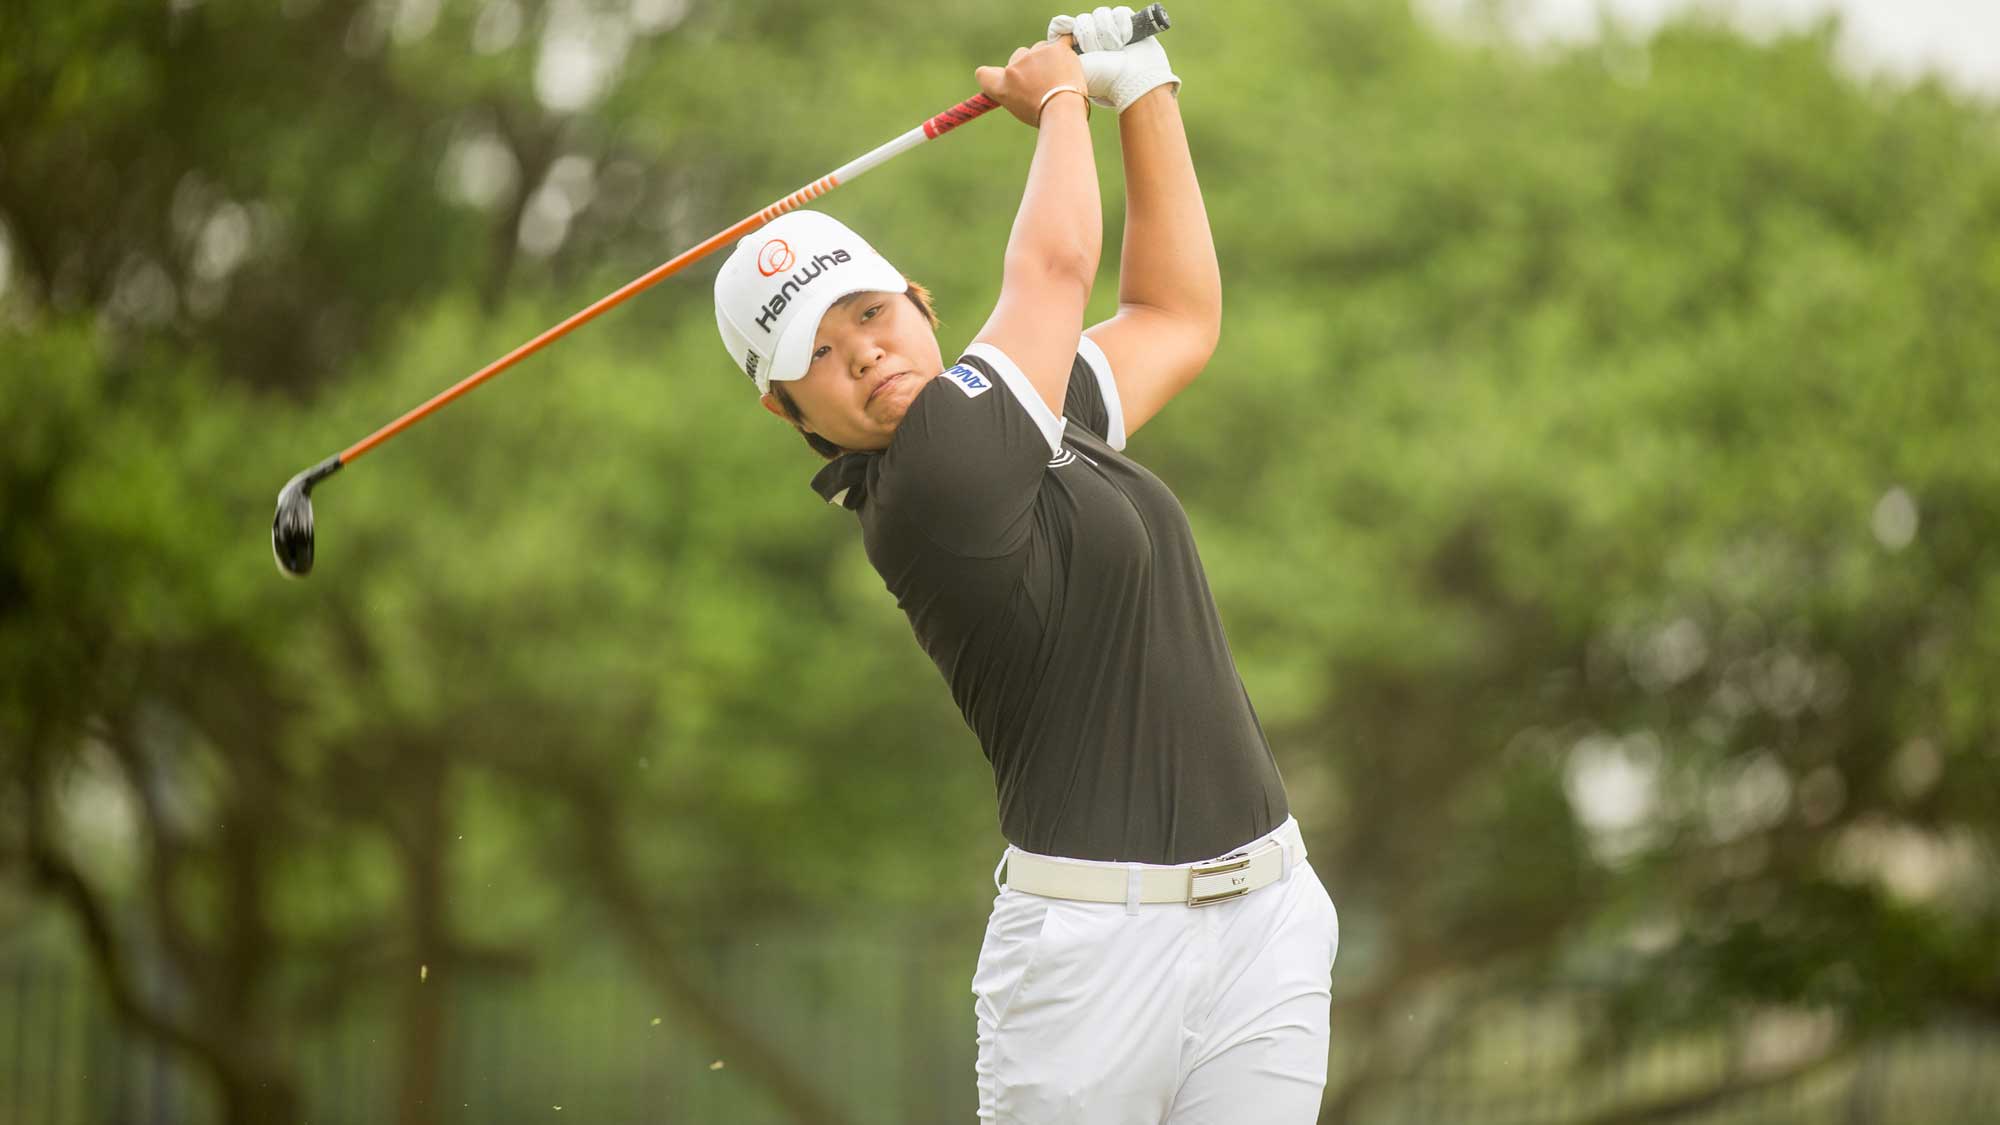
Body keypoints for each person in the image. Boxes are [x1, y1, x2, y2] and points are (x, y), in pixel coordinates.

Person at [712, 8, 1339, 1122]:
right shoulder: (927, 483)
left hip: (1265, 915)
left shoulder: (1033, 417)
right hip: (1091, 963)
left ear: (917, 301)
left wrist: (1142, 88)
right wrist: (1057, 95)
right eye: (817, 351)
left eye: (869, 311)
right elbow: (1055, 266)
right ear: (785, 407)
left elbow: (1175, 316)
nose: (862, 350)